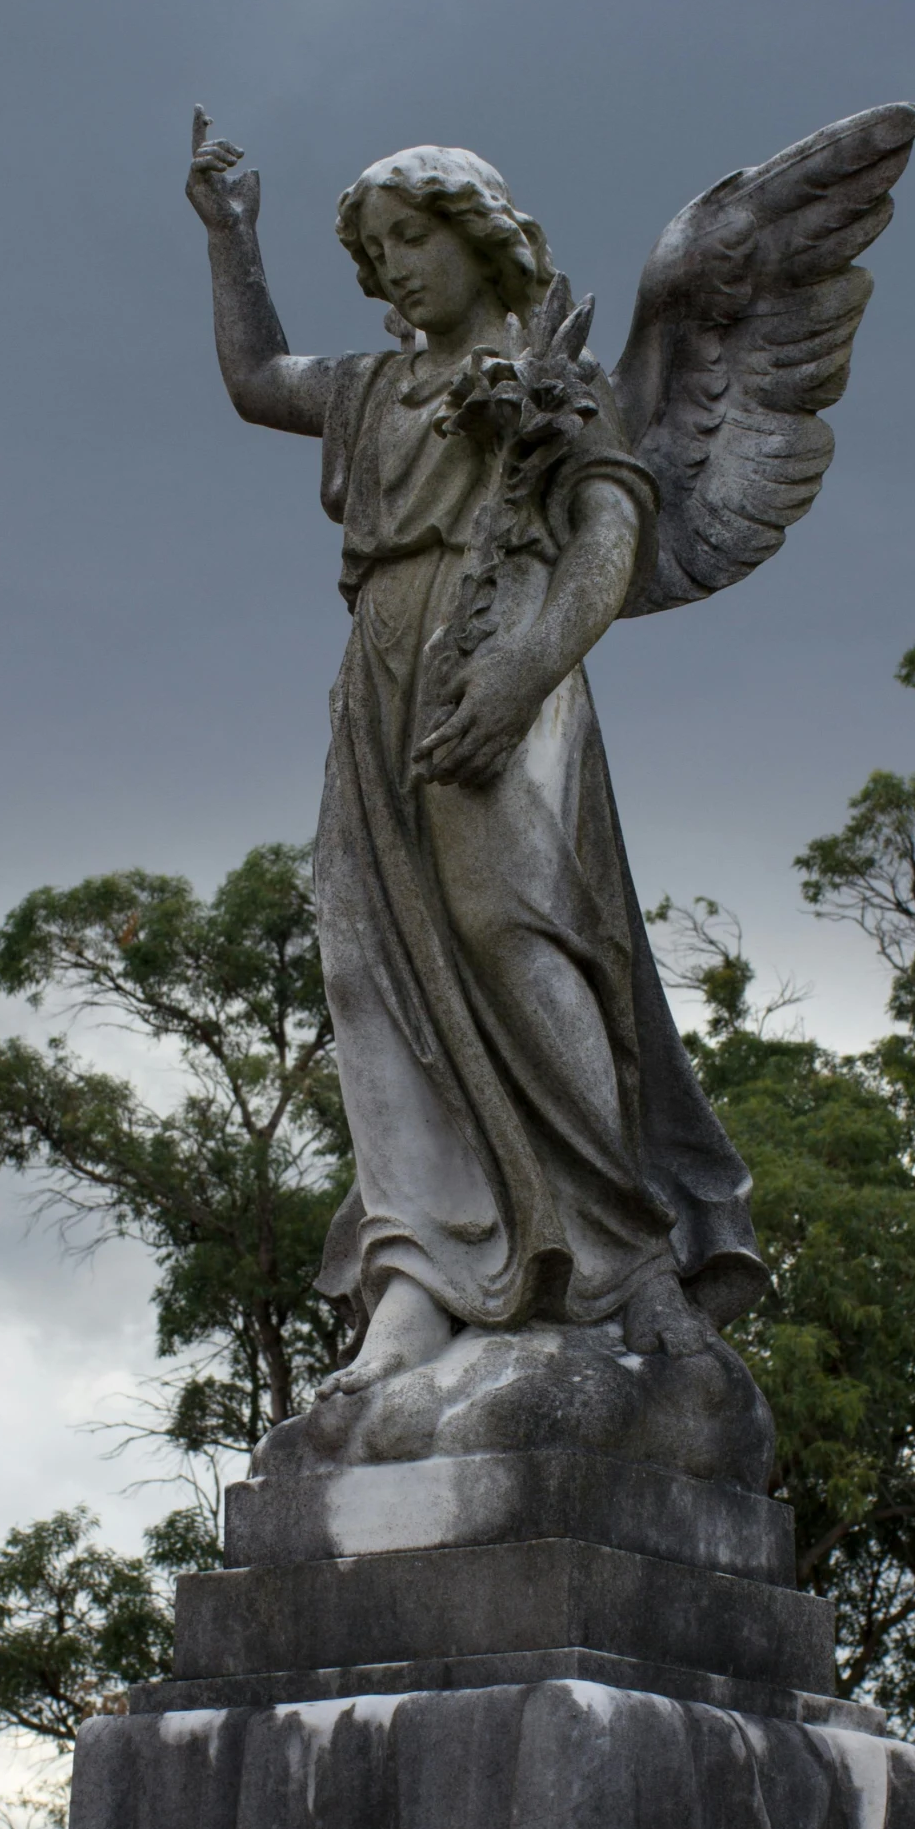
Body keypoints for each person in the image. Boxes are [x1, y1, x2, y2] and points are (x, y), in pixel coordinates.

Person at [186, 119, 765, 1405]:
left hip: (507, 659)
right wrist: (231, 240)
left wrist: (520, 677)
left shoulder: (555, 381)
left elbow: (607, 543)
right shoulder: (375, 389)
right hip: (377, 673)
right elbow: (251, 378)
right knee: (370, 963)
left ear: (480, 240)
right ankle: (418, 1279)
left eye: (413, 240)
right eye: (376, 250)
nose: (393, 269)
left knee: (514, 929)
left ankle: (623, 1262)